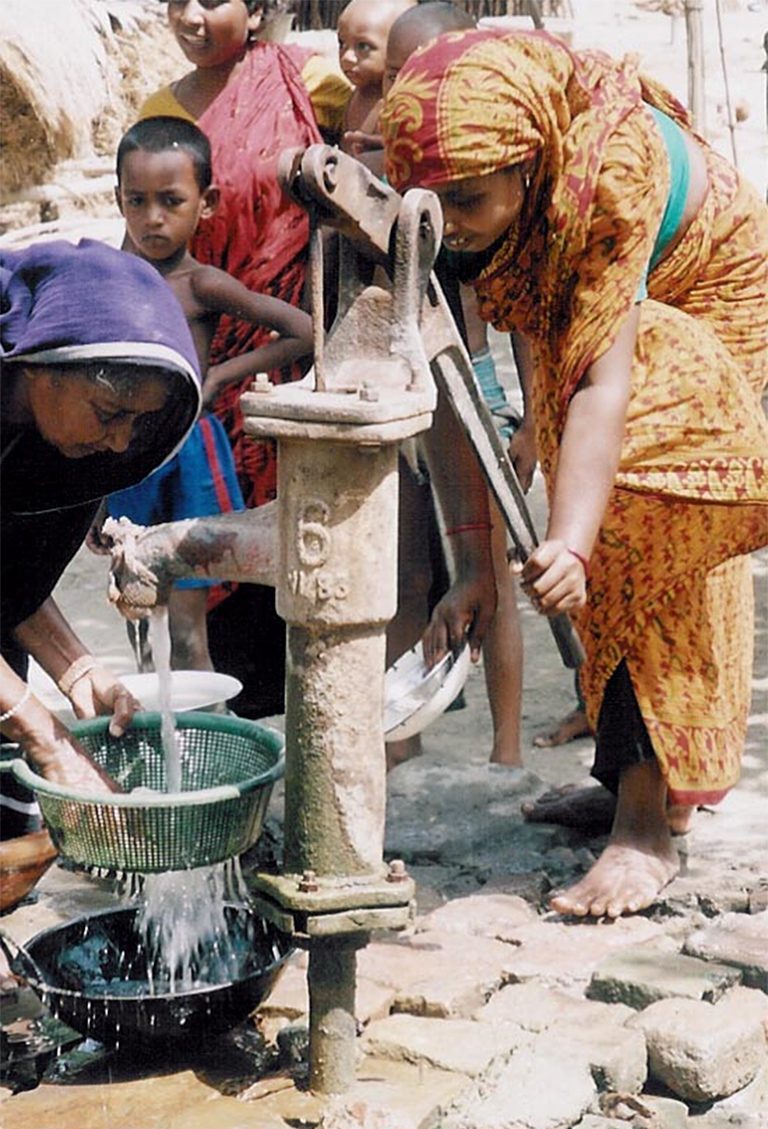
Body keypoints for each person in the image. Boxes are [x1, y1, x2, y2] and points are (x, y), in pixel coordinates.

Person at [381, 28, 768, 916]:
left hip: (706, 292)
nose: (451, 222)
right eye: (432, 204)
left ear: (529, 168)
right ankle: (622, 772)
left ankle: (648, 821)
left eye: (469, 202)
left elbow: (600, 385)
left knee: (636, 520)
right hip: (619, 322)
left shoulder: (606, 177)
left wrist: (573, 539)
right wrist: (476, 564)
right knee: (575, 517)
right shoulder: (456, 205)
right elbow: (456, 382)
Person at [135, 0, 349, 717]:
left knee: (270, 541)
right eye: (177, 0)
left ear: (259, 10)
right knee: (160, 573)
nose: (191, 15)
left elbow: (377, 141)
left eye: (213, 0)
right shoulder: (160, 112)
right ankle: (183, 722)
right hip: (170, 410)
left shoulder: (307, 82)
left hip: (268, 371)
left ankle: (264, 720)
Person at [0, 238, 201, 830]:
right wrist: (45, 736)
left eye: (137, 423)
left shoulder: (55, 449)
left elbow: (9, 580)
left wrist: (77, 671)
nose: (119, 442)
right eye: (110, 412)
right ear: (42, 364)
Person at [105, 116, 313, 673]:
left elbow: (302, 330)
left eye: (170, 201)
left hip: (190, 450)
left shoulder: (201, 285)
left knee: (189, 626)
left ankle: (204, 748)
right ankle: (155, 741)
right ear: (118, 200)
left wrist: (219, 377)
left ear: (207, 202)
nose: (153, 218)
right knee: (137, 611)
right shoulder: (110, 278)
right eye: (137, 201)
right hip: (127, 454)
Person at [384, 2, 525, 767]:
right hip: (403, 398)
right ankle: (402, 740)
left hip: (471, 387)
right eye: (397, 71)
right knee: (406, 572)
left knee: (492, 576)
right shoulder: (391, 166)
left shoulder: (481, 169)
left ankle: (505, 746)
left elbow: (525, 320)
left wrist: (532, 423)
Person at [337, 0, 415, 153]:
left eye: (363, 46)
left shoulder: (395, 105)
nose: (347, 57)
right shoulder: (354, 94)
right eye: (342, 43)